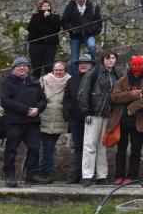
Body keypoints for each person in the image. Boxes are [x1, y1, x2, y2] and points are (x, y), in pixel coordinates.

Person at [0, 57, 48, 187]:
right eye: (19, 66)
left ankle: (31, 176)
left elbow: (43, 100)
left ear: (28, 68)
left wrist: (38, 109)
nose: (22, 68)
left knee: (34, 148)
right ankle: (10, 176)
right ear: (13, 69)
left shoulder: (34, 82)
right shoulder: (6, 82)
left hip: (32, 122)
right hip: (13, 122)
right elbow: (5, 101)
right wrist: (26, 110)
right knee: (11, 150)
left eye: (25, 66)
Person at [107, 55, 143, 185]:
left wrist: (134, 106)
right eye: (135, 65)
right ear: (131, 65)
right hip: (122, 120)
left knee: (136, 150)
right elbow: (115, 97)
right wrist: (132, 94)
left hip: (139, 122)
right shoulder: (123, 80)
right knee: (120, 150)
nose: (137, 67)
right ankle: (119, 175)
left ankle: (132, 176)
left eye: (140, 65)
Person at [78, 49, 119, 186]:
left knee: (103, 146)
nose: (111, 60)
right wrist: (86, 112)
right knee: (89, 145)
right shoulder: (93, 73)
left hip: (108, 115)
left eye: (113, 58)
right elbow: (84, 92)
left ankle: (102, 175)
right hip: (93, 114)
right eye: (108, 58)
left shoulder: (116, 75)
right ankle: (87, 175)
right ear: (103, 60)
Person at [62, 53, 95, 183]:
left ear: (91, 65)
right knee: (78, 147)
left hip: (91, 119)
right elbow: (66, 99)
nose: (83, 65)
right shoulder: (71, 80)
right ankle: (78, 174)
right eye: (81, 63)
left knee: (90, 147)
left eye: (86, 63)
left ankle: (88, 175)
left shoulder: (95, 79)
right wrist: (68, 116)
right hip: (75, 119)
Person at [38, 60, 70, 184]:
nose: (58, 72)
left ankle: (46, 172)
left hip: (59, 119)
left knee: (48, 147)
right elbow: (38, 97)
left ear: (64, 71)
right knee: (46, 147)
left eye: (61, 70)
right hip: (45, 117)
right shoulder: (45, 80)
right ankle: (45, 172)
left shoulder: (69, 81)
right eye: (56, 70)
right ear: (52, 70)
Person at [62, 0, 102, 76]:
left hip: (89, 34)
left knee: (92, 48)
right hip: (75, 36)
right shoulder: (70, 7)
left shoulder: (93, 6)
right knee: (74, 58)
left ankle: (92, 73)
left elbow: (98, 21)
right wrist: (72, 30)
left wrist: (91, 30)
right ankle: (75, 77)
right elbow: (64, 21)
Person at [27, 0, 61, 78]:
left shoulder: (55, 17)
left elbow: (57, 28)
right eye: (44, 6)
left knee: (49, 67)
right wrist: (43, 18)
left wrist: (48, 18)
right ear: (40, 7)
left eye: (48, 6)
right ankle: (35, 87)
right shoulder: (35, 17)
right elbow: (31, 28)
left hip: (50, 45)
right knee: (36, 68)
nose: (46, 8)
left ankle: (49, 86)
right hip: (36, 45)